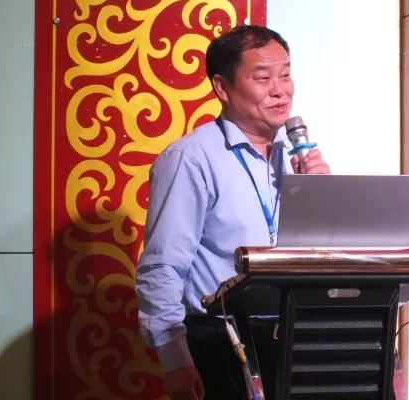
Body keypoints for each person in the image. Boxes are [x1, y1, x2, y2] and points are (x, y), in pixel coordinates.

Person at [135, 25, 331, 400]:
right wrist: (174, 358)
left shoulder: (295, 159)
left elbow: (316, 258)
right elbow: (162, 266)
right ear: (222, 87)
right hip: (221, 341)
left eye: (285, 74)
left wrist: (320, 199)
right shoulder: (191, 158)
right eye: (263, 78)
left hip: (296, 337)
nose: (280, 90)